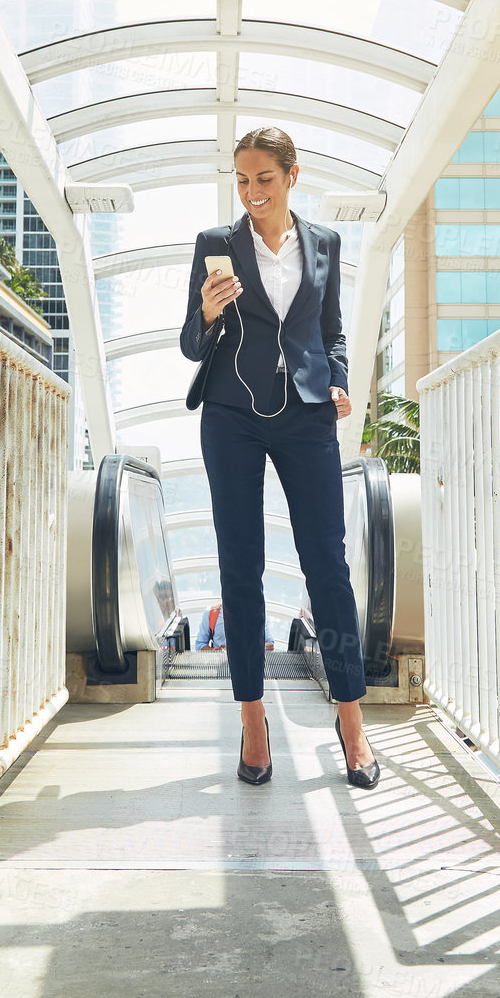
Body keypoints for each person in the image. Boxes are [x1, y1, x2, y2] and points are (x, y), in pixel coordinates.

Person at [179, 126, 379, 791]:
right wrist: (207, 317)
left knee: (328, 564)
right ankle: (253, 718)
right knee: (241, 569)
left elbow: (330, 330)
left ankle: (351, 722)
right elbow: (189, 344)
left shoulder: (322, 242)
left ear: (292, 176)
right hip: (231, 417)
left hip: (307, 415)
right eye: (241, 179)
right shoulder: (215, 244)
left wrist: (340, 378)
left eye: (264, 178)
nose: (251, 192)